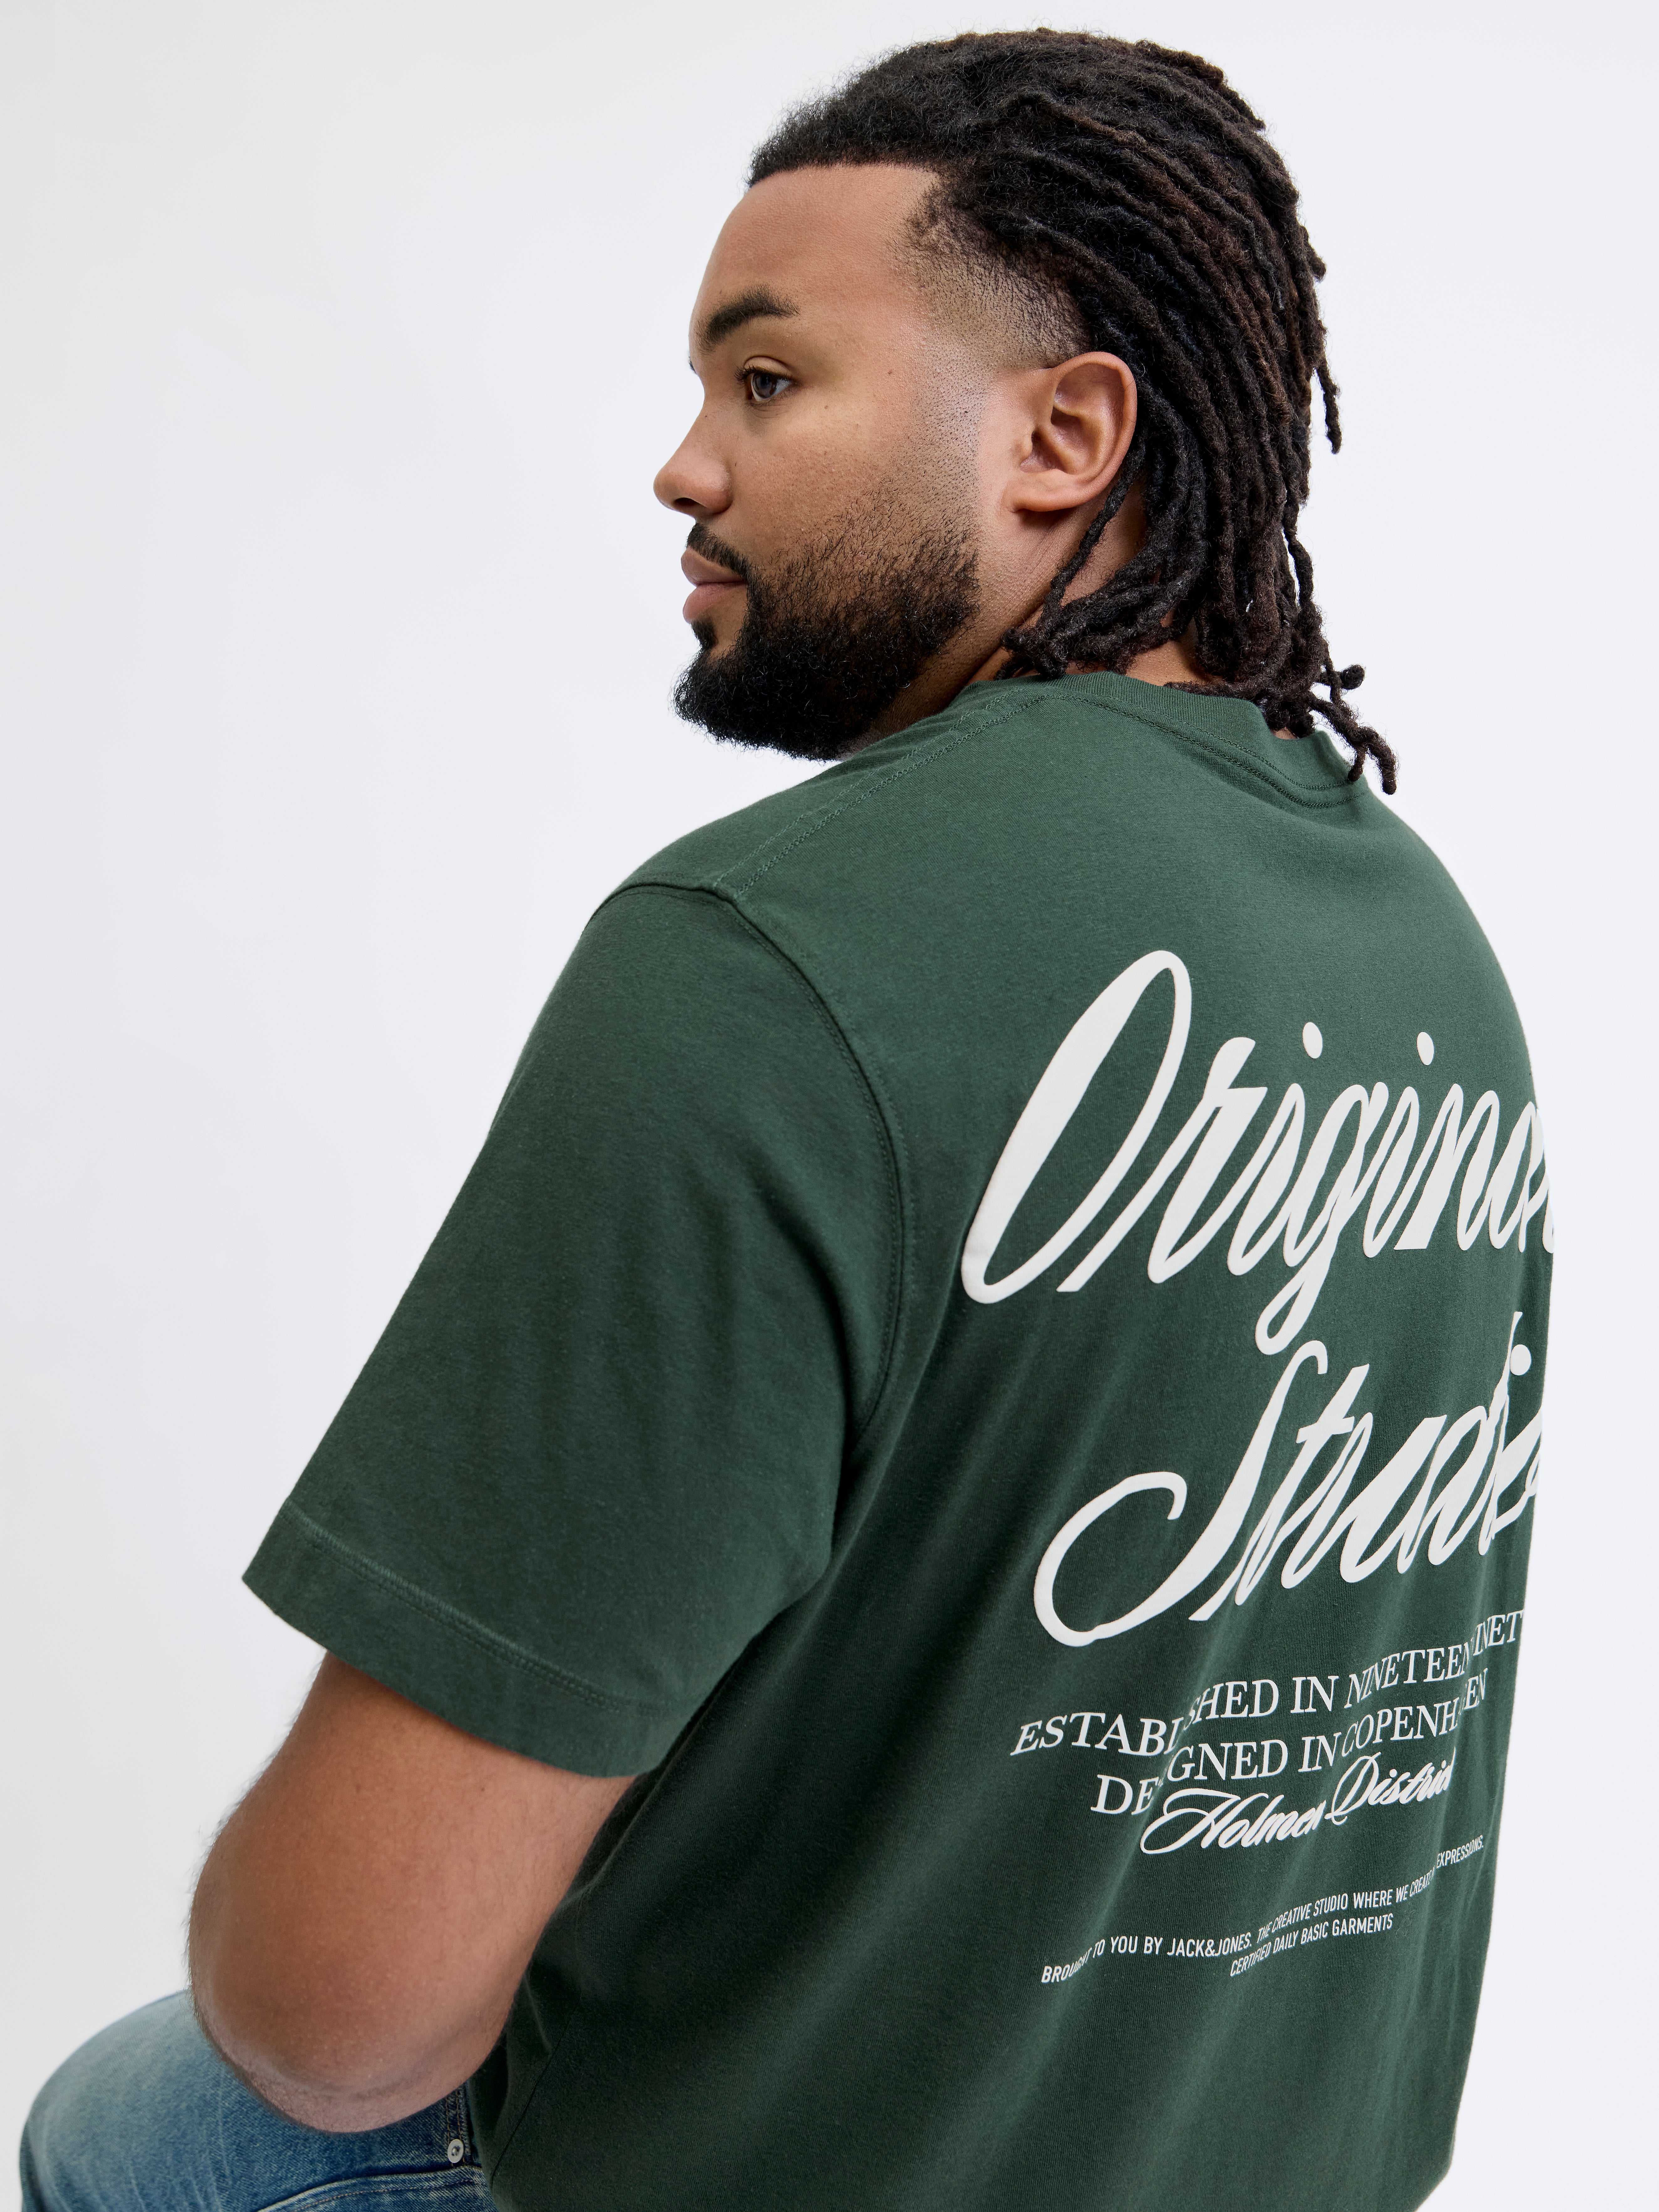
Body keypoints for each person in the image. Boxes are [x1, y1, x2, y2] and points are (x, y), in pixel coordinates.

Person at [22, 30, 1551, 2212]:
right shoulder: (1429, 950)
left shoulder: (772, 954)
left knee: (141, 2123)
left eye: (767, 380)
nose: (684, 466)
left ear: (1064, 435)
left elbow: (335, 2011)